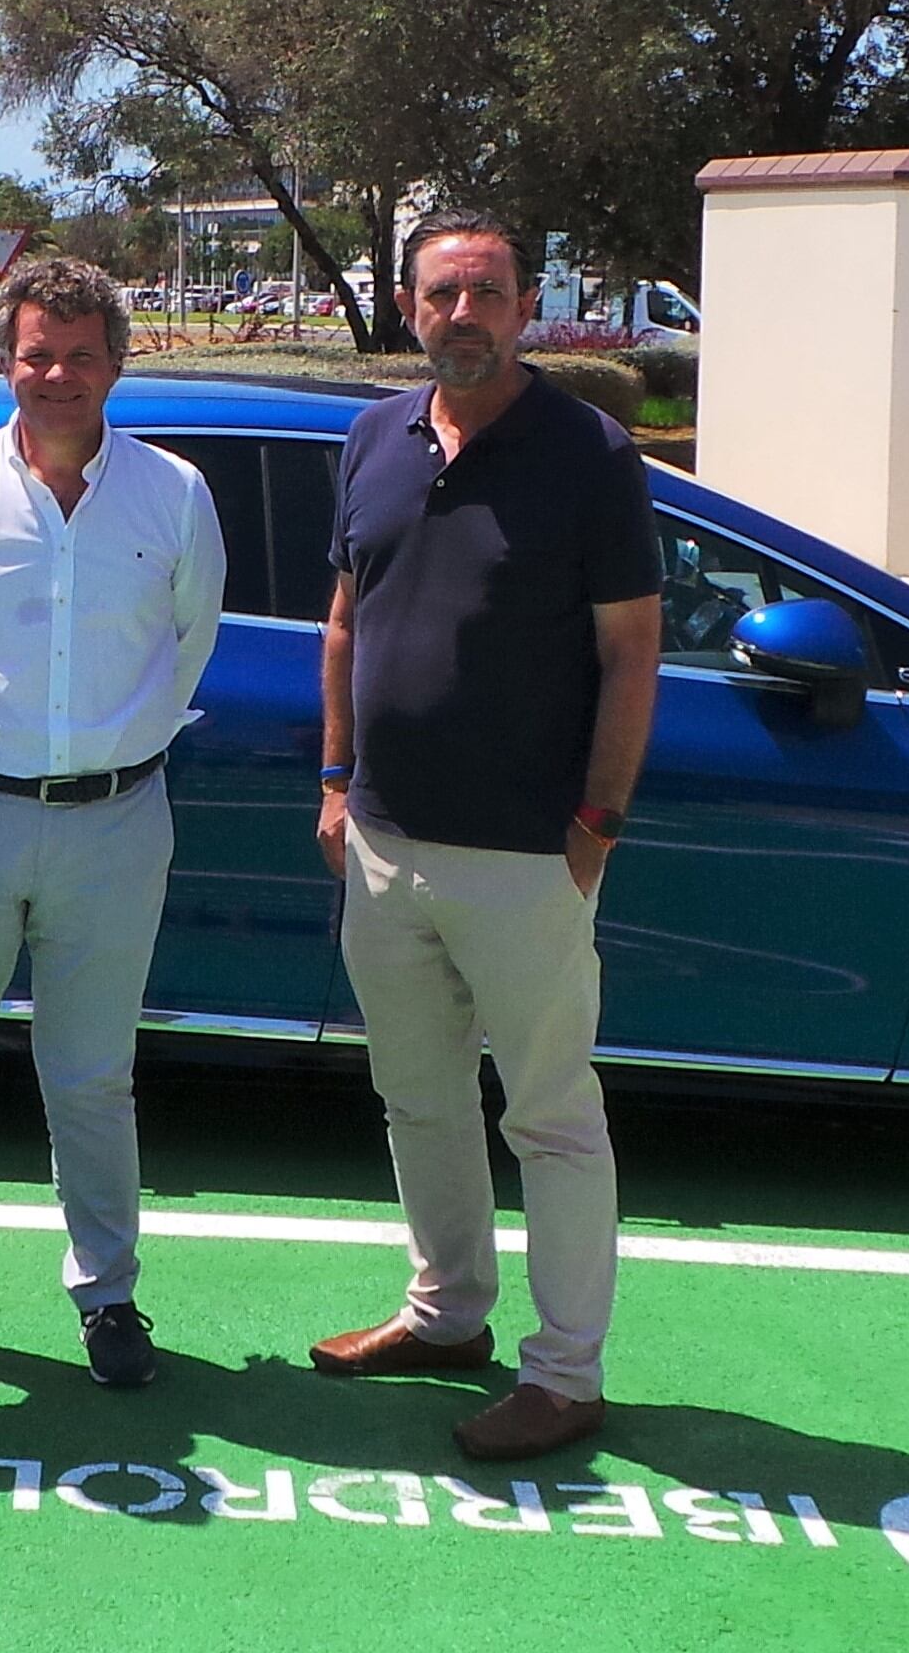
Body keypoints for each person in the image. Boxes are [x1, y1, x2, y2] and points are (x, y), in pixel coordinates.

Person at [309, 212, 659, 1462]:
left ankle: (566, 1376)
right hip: (387, 847)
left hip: (528, 855)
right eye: (444, 294)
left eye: (489, 293)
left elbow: (632, 650)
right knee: (420, 1101)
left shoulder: (589, 452)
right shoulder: (372, 438)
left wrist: (594, 825)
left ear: (524, 309)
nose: (466, 314)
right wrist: (340, 781)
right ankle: (447, 1314)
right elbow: (346, 620)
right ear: (411, 306)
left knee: (552, 1119)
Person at [0, 255, 223, 1390]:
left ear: (117, 362)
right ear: (6, 358)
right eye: (36, 353)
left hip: (116, 824)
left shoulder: (174, 495)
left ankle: (109, 1297)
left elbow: (188, 645)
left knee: (93, 1074)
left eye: (79, 354)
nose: (56, 374)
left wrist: (106, 755)